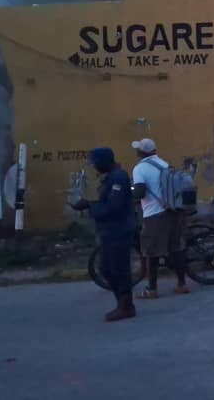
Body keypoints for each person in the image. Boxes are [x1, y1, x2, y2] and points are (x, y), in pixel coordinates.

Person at [70, 147, 137, 322]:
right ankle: (123, 304)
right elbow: (102, 199)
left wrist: (92, 208)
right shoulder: (109, 178)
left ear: (105, 161)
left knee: (118, 270)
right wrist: (85, 203)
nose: (95, 167)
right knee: (106, 269)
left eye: (96, 163)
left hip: (119, 230)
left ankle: (126, 306)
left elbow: (114, 207)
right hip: (110, 231)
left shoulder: (118, 178)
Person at [131, 138, 189, 299]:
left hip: (154, 214)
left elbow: (140, 192)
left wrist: (131, 193)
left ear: (140, 152)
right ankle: (182, 284)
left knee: (152, 252)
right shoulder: (164, 164)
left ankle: (152, 289)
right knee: (176, 248)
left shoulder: (140, 168)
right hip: (174, 211)